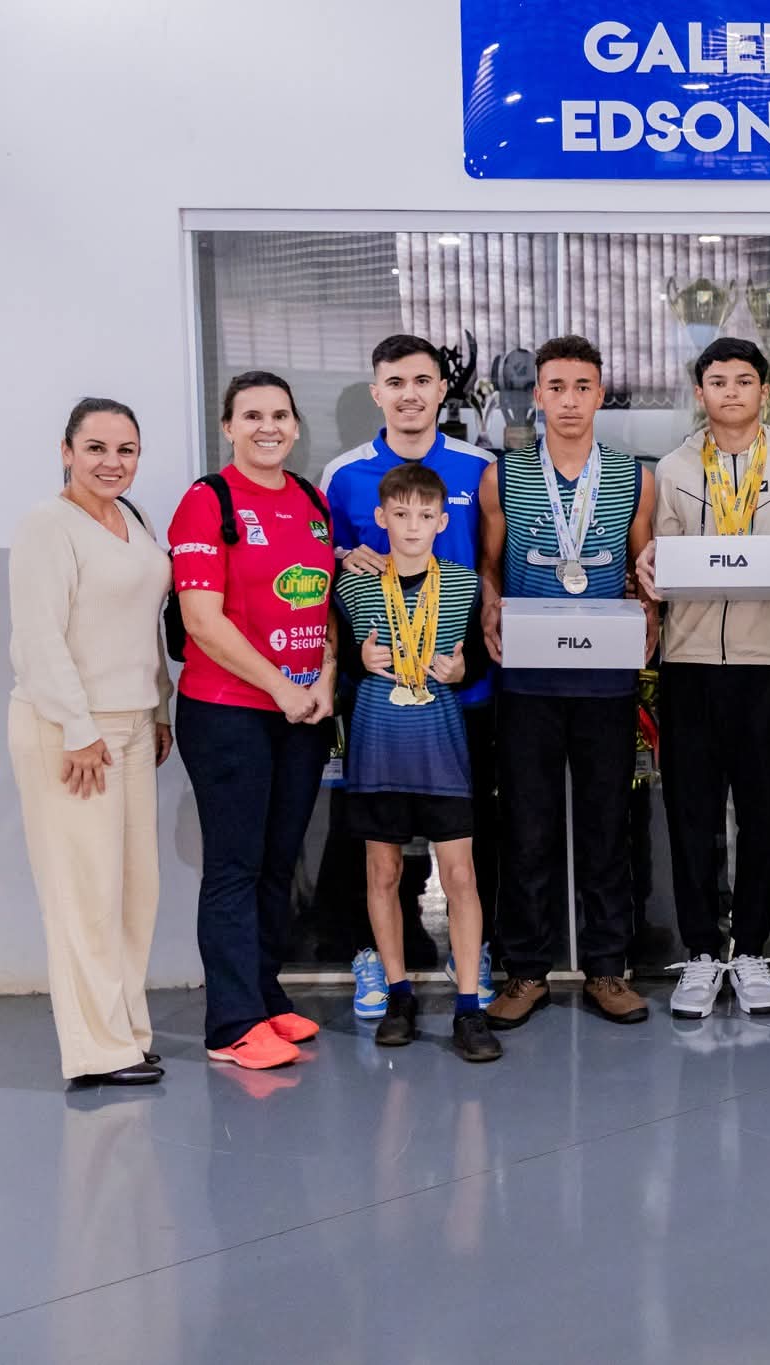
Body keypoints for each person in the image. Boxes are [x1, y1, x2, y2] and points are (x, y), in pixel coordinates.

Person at [635, 337, 770, 1021]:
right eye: (718, 381)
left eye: (745, 380)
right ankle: (699, 950)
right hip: (687, 663)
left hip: (767, 662)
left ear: (765, 391)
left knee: (762, 810)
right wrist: (650, 566)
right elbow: (655, 551)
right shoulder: (675, 466)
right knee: (690, 812)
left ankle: (749, 948)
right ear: (700, 392)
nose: (732, 392)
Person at [477, 335, 654, 1029]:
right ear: (538, 394)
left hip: (606, 679)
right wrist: (490, 598)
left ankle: (608, 968)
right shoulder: (504, 477)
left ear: (600, 393)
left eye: (583, 386)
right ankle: (526, 971)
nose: (570, 400)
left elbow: (645, 569)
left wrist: (651, 613)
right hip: (529, 680)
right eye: (557, 386)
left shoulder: (635, 476)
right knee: (527, 825)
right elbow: (489, 564)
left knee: (609, 827)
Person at [320, 335, 496, 1017]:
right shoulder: (346, 474)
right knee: (378, 846)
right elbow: (328, 566)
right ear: (377, 392)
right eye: (396, 382)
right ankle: (376, 957)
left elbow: (493, 565)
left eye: (423, 380)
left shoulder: (480, 468)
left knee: (470, 838)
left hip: (462, 686)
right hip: (380, 692)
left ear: (441, 389)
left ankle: (470, 958)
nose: (411, 393)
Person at [171, 371, 337, 1071]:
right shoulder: (206, 502)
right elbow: (201, 622)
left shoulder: (310, 499)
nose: (267, 426)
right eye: (252, 414)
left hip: (302, 712)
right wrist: (279, 687)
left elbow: (323, 607)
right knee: (235, 867)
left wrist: (323, 681)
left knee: (278, 863)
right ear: (228, 427)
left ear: (296, 427)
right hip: (230, 713)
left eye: (279, 414)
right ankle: (231, 1023)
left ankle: (267, 997)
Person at [8, 398, 173, 1085]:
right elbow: (40, 638)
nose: (113, 462)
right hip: (71, 731)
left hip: (134, 724)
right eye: (97, 447)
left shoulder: (134, 519)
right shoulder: (49, 527)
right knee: (84, 893)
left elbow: (147, 626)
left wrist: (160, 707)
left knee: (136, 890)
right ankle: (96, 1052)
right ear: (67, 450)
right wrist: (77, 732)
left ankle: (126, 1032)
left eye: (126, 449)